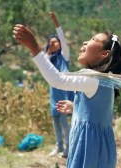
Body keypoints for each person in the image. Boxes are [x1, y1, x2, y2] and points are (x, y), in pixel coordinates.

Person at [13, 22, 121, 168]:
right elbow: (98, 110)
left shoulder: (91, 78)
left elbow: (57, 80)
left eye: (93, 39)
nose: (86, 41)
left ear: (104, 54)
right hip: (102, 150)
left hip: (88, 149)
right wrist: (76, 106)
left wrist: (34, 47)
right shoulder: (106, 81)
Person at [45, 12, 74, 158]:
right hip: (53, 93)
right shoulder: (49, 58)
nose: (53, 43)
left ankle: (69, 148)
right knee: (55, 120)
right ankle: (59, 146)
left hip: (63, 92)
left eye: (56, 42)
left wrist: (55, 21)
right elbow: (42, 64)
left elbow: (61, 37)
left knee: (64, 121)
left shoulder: (64, 55)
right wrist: (48, 50)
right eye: (51, 42)